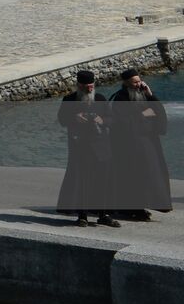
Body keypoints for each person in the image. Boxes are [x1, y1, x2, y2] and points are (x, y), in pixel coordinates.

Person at [56, 70, 120, 227]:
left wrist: (102, 119)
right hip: (80, 148)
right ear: (79, 86)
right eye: (87, 87)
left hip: (101, 146)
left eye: (92, 87)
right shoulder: (69, 99)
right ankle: (82, 215)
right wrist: (74, 118)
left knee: (103, 181)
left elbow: (112, 119)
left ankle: (103, 214)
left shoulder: (100, 98)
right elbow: (62, 119)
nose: (90, 90)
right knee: (82, 181)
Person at [109, 68, 171, 221]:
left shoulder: (144, 95)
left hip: (148, 141)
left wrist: (151, 95)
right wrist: (143, 114)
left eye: (139, 81)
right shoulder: (120, 98)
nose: (138, 85)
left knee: (151, 173)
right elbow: (121, 123)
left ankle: (148, 204)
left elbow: (159, 113)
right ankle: (132, 208)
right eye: (134, 82)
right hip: (129, 145)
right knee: (133, 175)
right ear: (127, 84)